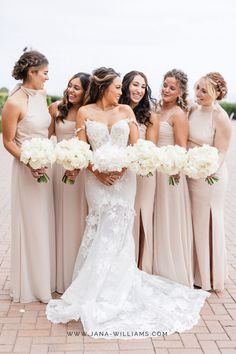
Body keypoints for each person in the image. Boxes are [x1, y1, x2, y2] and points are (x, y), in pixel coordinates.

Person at [46, 67, 209, 338]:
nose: (121, 92)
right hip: (96, 181)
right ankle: (94, 288)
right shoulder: (86, 112)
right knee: (99, 228)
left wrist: (120, 170)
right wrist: (97, 171)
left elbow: (136, 148)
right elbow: (82, 148)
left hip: (123, 181)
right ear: (103, 88)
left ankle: (116, 287)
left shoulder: (126, 112)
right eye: (117, 87)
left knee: (120, 231)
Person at [2, 50, 55, 303]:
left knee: (44, 224)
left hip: (46, 168)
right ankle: (31, 286)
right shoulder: (14, 102)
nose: (47, 77)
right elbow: (8, 141)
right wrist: (28, 161)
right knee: (32, 225)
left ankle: (45, 280)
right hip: (27, 169)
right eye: (44, 72)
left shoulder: (41, 96)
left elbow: (45, 129)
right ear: (31, 72)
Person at [187, 72, 232, 291]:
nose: (198, 93)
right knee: (195, 223)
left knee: (209, 221)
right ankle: (195, 271)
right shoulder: (193, 109)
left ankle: (210, 276)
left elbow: (222, 150)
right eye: (197, 88)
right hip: (191, 173)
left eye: (204, 91)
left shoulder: (220, 116)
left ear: (216, 93)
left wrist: (209, 168)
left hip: (210, 177)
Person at [48, 72, 90, 293]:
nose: (71, 91)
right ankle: (58, 274)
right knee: (59, 218)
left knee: (77, 220)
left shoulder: (88, 112)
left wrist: (78, 165)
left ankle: (77, 277)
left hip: (80, 171)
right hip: (58, 170)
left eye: (77, 88)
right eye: (69, 86)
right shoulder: (55, 108)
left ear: (86, 91)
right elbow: (46, 139)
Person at [153, 69, 193, 287]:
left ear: (180, 92)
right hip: (152, 171)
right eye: (165, 85)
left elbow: (182, 148)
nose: (166, 90)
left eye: (172, 87)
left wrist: (175, 168)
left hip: (169, 173)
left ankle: (169, 270)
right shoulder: (156, 109)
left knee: (167, 217)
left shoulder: (178, 114)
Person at [120, 71, 159, 273]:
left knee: (140, 215)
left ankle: (140, 265)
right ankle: (122, 265)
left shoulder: (150, 116)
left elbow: (150, 147)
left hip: (142, 173)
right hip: (119, 173)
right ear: (126, 85)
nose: (139, 90)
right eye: (136, 85)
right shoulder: (116, 110)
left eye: (143, 87)